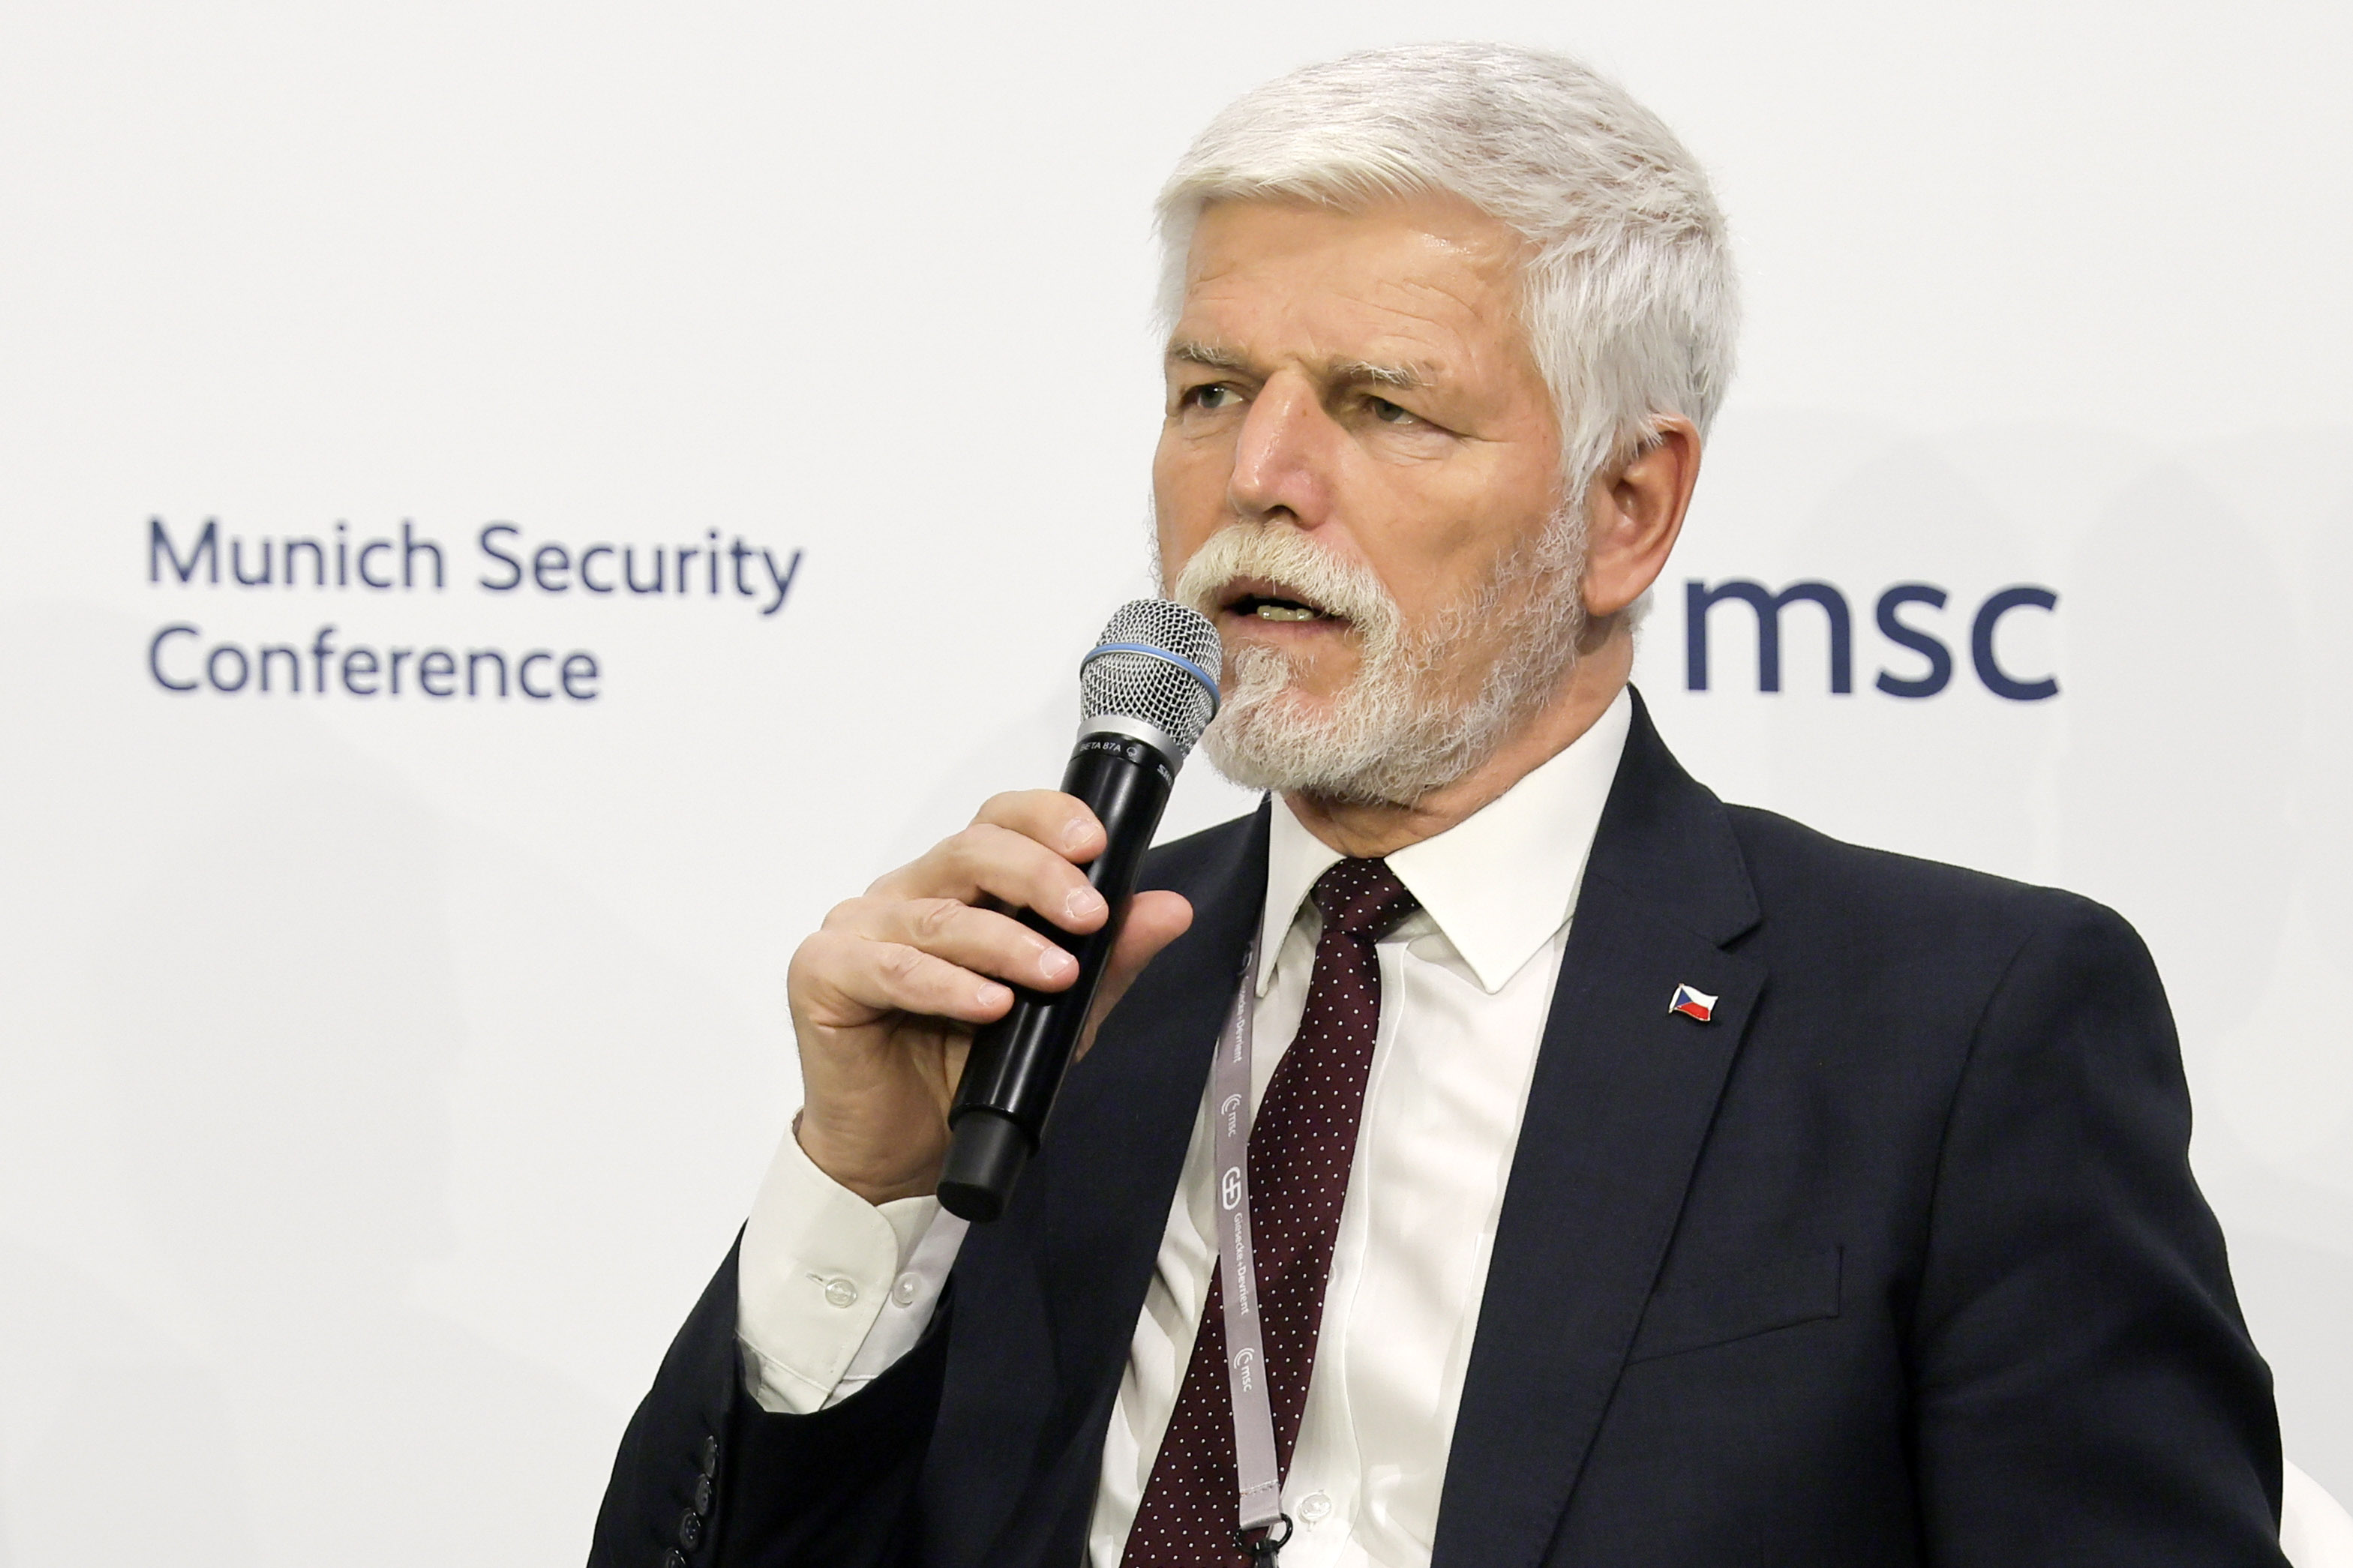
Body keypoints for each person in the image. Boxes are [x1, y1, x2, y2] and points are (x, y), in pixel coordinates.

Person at [590, 42, 2286, 1568]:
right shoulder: (1047, 1007)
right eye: (1209, 393)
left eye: (1382, 406)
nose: (1258, 479)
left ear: (1627, 508)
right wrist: (866, 1188)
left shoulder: (1954, 1029)